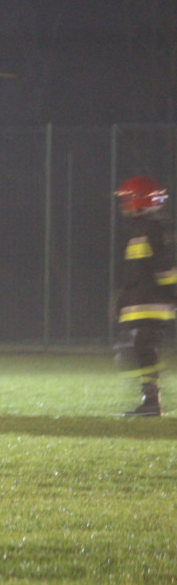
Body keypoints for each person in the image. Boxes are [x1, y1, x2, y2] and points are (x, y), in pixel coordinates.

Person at [114, 175, 177, 416]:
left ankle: (152, 402)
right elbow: (137, 270)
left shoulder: (154, 228)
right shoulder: (141, 229)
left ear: (139, 200)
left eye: (127, 198)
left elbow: (164, 265)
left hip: (152, 302)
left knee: (142, 347)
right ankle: (150, 400)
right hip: (141, 301)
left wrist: (172, 292)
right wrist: (123, 298)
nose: (123, 204)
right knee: (138, 348)